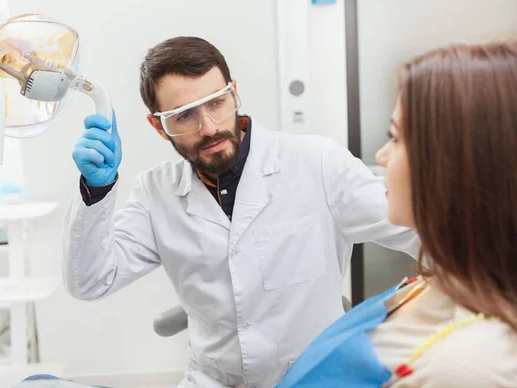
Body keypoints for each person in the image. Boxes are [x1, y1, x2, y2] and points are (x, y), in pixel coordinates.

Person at [63, 36, 418, 387]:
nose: (209, 127)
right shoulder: (155, 193)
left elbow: (424, 236)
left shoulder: (319, 164)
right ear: (159, 126)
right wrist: (97, 190)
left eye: (216, 103)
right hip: (212, 380)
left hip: (316, 376)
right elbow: (91, 281)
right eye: (184, 115)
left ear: (234, 93)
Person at [277, 40, 517, 388]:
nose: (382, 154)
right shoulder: (446, 279)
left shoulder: (465, 367)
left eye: (395, 138)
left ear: (455, 164)